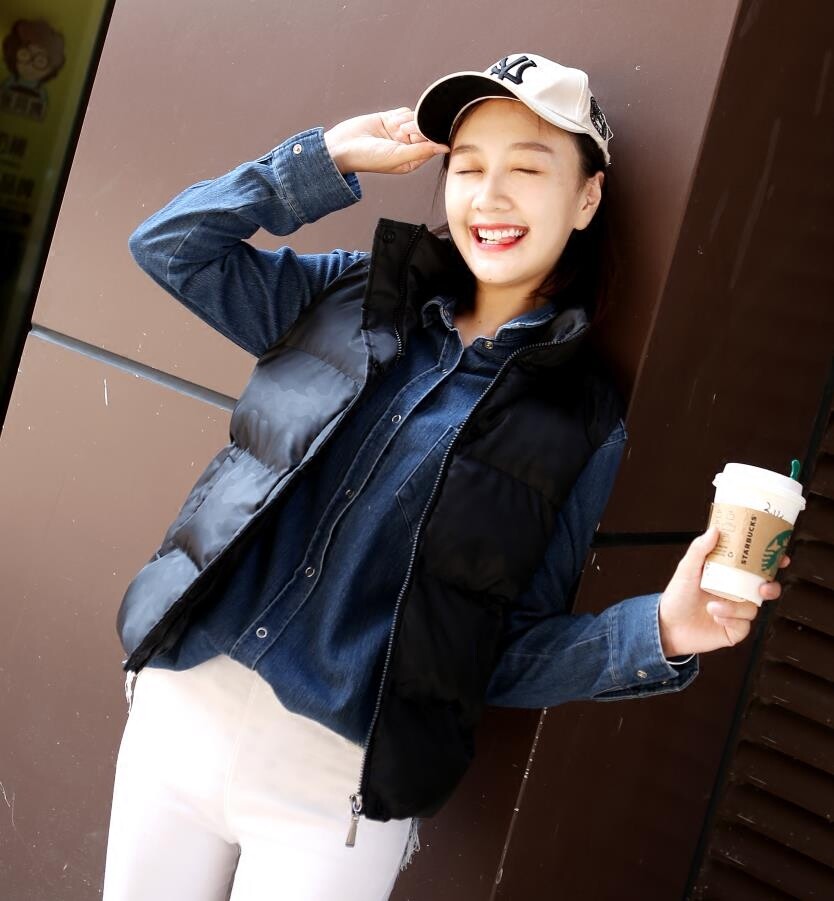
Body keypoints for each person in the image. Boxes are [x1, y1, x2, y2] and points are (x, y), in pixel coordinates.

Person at [102, 53, 790, 901]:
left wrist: (660, 632)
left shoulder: (578, 421)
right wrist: (326, 158)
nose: (490, 197)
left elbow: (496, 651)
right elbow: (171, 247)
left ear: (586, 199)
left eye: (527, 170)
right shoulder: (350, 296)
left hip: (335, 801)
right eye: (468, 168)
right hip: (177, 715)